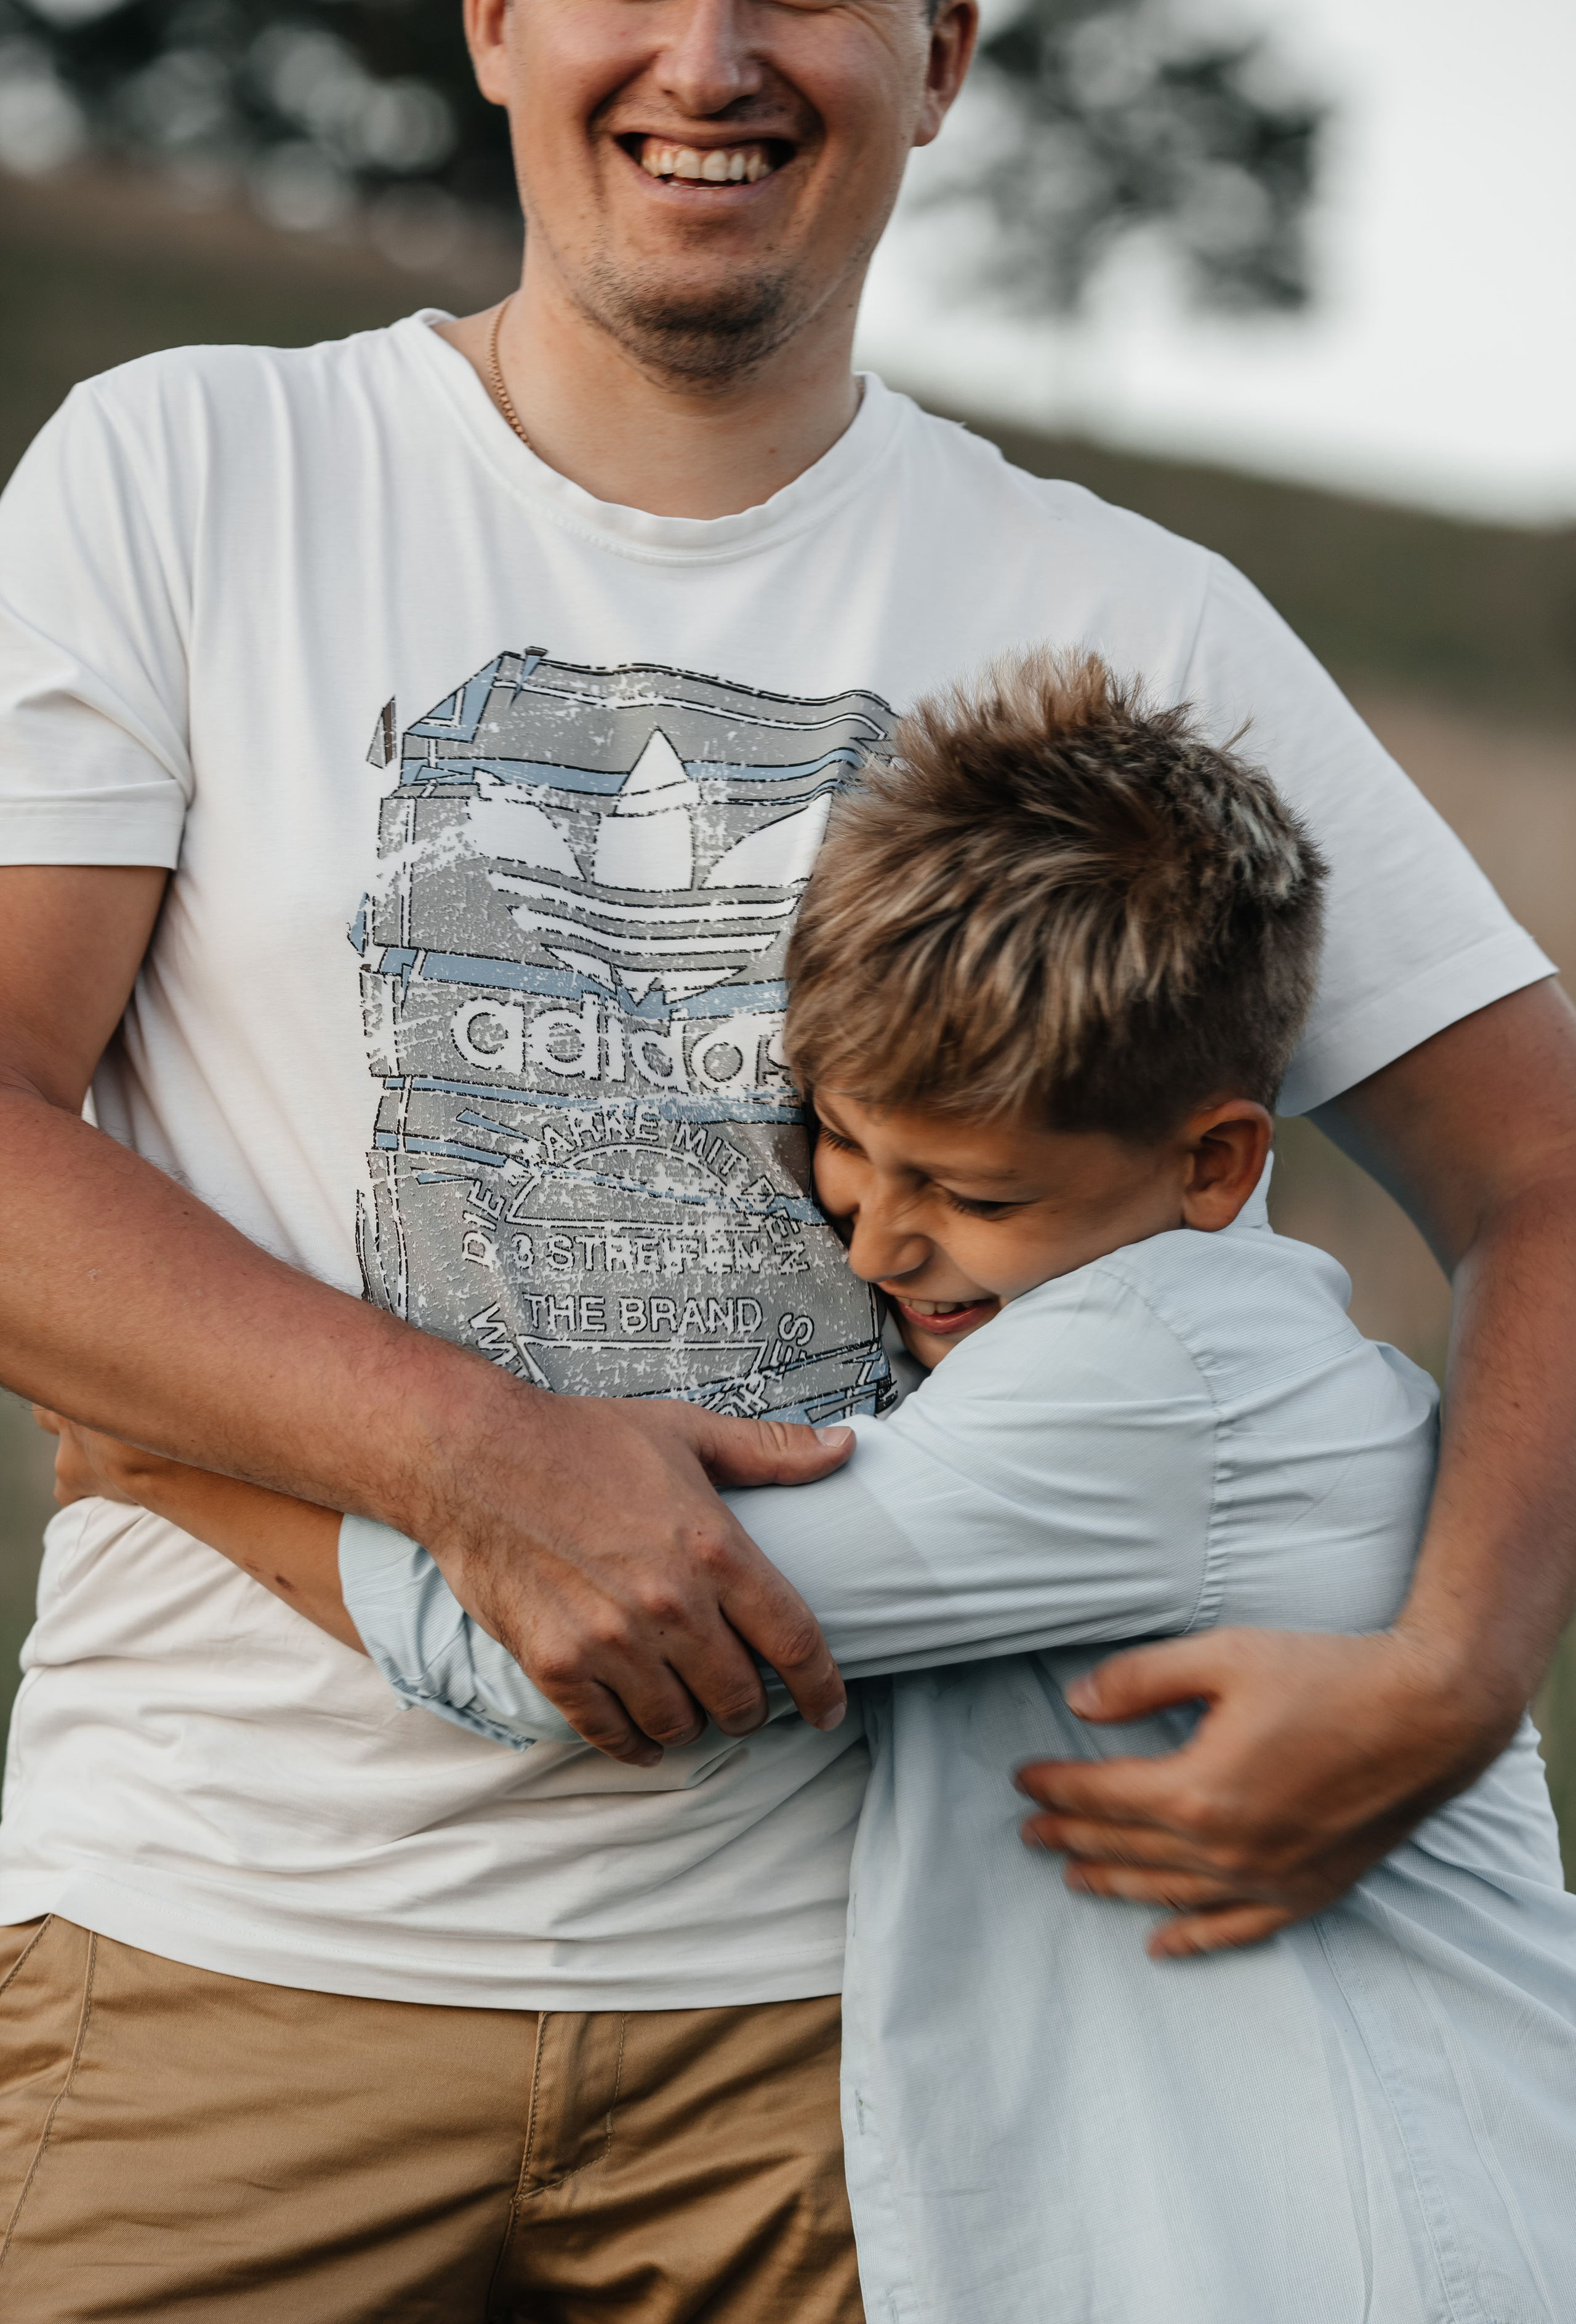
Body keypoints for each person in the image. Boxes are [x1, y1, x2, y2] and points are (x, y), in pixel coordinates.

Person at [1, 0, 1575, 2311]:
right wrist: (462, 1451)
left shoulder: (1138, 620)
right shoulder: (190, 469)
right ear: (497, 10)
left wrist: (1458, 1678)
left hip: (873, 2058)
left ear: (940, 57)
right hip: (217, 1957)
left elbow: (1544, 1171)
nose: (711, 58)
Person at [47, 654, 1576, 2322]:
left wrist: (153, 1455)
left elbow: (583, 1637)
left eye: (970, 1193)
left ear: (1214, 1162)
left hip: (1375, 2248)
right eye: (843, 1144)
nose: (877, 1239)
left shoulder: (1145, 1379)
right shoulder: (1167, 1335)